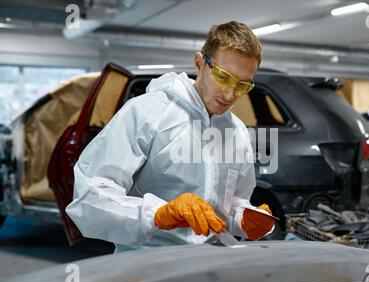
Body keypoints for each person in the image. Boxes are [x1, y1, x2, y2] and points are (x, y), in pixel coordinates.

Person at [66, 21, 275, 253]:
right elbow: (91, 196)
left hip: (209, 266)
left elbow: (234, 201)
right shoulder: (146, 112)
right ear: (199, 63)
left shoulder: (236, 132)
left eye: (242, 85)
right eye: (224, 77)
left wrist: (244, 218)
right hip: (147, 264)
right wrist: (158, 214)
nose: (230, 94)